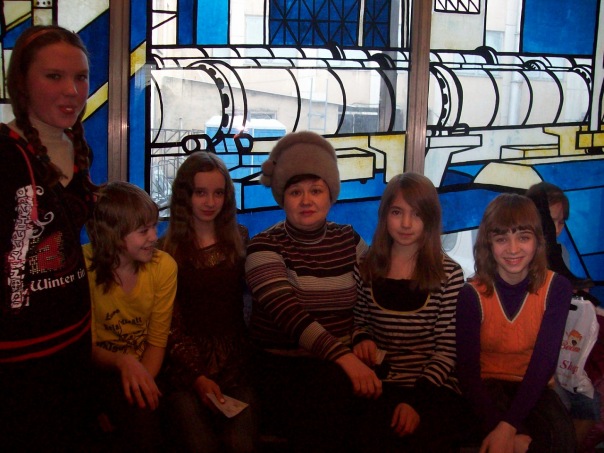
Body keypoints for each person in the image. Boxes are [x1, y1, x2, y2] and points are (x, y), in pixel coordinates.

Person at [245, 130, 382, 452]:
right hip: (283, 368)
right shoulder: (263, 246)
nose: (307, 201)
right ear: (282, 198)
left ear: (330, 195)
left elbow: (370, 296)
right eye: (296, 192)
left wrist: (362, 335)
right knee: (331, 401)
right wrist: (346, 359)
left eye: (316, 190)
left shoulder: (348, 239)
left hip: (341, 363)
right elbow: (290, 316)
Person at [0, 25, 97, 451]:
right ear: (22, 83)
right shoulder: (5, 153)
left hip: (74, 342)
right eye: (54, 76)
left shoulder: (76, 147)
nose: (72, 91)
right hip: (17, 360)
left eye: (81, 77)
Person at [352, 172, 470, 452]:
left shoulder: (449, 274)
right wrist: (362, 339)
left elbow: (447, 351)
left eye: (416, 214)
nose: (406, 223)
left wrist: (416, 403)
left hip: (433, 388)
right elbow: (359, 321)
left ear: (430, 218)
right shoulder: (366, 266)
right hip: (380, 382)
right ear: (384, 215)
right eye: (397, 212)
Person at [456, 193, 576, 453]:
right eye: (501, 239)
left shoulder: (557, 288)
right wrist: (503, 430)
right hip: (484, 391)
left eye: (523, 237)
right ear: (488, 243)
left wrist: (509, 427)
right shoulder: (470, 294)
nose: (512, 249)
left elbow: (543, 364)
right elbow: (467, 373)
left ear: (537, 241)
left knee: (558, 439)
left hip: (534, 388)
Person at [161, 151, 257, 452]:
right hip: (184, 370)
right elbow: (169, 324)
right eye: (201, 192)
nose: (210, 202)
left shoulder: (240, 239)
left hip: (236, 365)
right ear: (185, 195)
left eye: (218, 193)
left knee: (241, 444)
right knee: (199, 444)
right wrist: (197, 376)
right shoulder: (167, 251)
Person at [84, 181, 177, 452]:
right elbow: (85, 346)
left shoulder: (163, 267)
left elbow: (157, 341)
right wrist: (121, 361)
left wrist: (140, 387)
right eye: (143, 230)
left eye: (154, 227)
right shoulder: (82, 265)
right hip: (96, 370)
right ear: (114, 234)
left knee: (145, 423)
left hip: (146, 366)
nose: (155, 237)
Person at [527, 181, 601, 447]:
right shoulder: (522, 256)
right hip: (532, 357)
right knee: (561, 405)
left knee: (590, 406)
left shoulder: (562, 254)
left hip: (561, 353)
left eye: (560, 222)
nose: (555, 229)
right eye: (550, 221)